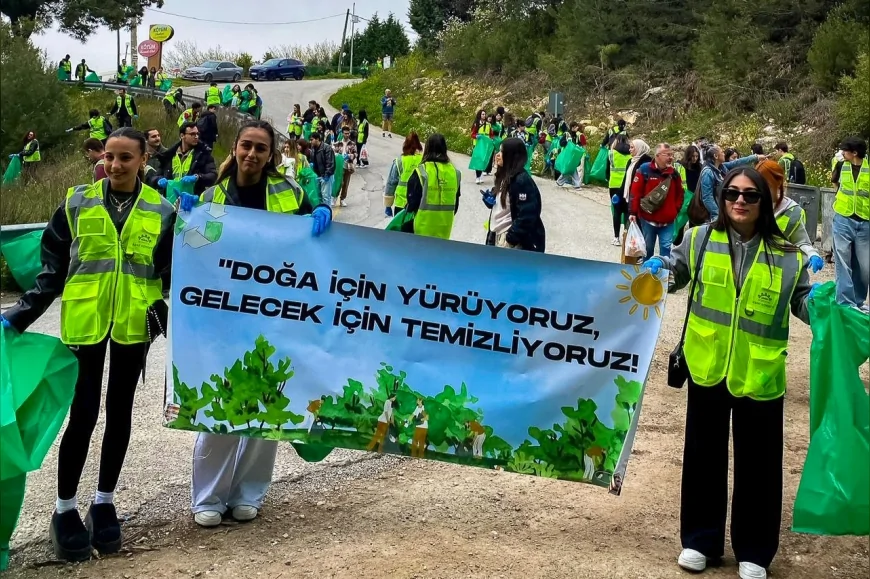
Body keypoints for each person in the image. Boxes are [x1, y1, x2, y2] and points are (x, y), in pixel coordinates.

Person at [0, 127, 176, 562]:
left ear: (143, 160)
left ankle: (104, 501)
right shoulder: (76, 203)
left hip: (134, 325)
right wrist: (18, 316)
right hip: (85, 325)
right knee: (82, 416)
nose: (115, 165)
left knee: (120, 413)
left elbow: (180, 274)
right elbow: (52, 270)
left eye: (125, 158)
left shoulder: (164, 210)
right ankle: (64, 511)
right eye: (110, 157)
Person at [643, 166, 812, 579]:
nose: (740, 201)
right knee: (703, 457)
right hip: (707, 368)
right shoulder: (701, 240)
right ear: (722, 198)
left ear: (766, 202)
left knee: (760, 464)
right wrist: (656, 268)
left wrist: (830, 311)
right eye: (732, 193)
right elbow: (675, 275)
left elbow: (804, 301)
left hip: (760, 375)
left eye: (750, 195)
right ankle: (700, 541)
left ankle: (754, 550)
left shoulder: (789, 256)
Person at [191, 120, 332, 528]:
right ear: (234, 148)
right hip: (224, 316)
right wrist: (185, 220)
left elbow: (319, 250)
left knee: (267, 404)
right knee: (221, 400)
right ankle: (208, 497)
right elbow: (195, 252)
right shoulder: (213, 196)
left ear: (272, 155)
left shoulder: (290, 193)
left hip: (276, 316)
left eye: (261, 148)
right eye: (246, 146)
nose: (252, 154)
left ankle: (248, 493)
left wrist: (321, 212)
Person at [755, 160, 823, 273]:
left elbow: (801, 241)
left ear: (778, 182)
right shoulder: (749, 204)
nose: (760, 189)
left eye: (766, 184)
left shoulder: (793, 211)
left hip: (777, 270)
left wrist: (812, 254)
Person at [481, 137, 546, 252]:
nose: (497, 155)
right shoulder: (503, 176)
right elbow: (506, 203)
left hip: (509, 241)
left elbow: (528, 215)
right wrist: (491, 199)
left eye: (502, 152)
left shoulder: (522, 181)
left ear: (511, 156)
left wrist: (510, 238)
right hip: (496, 234)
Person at [830, 136, 869, 311]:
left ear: (854, 153)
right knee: (842, 261)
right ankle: (845, 302)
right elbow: (835, 184)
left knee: (864, 265)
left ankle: (858, 301)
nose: (842, 152)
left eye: (845, 150)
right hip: (843, 219)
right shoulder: (840, 165)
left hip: (865, 221)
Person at [628, 143, 684, 260]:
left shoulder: (674, 174)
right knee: (647, 249)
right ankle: (646, 274)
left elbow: (680, 194)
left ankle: (664, 275)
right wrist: (632, 212)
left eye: (671, 155)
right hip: (648, 219)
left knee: (666, 249)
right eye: (667, 155)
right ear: (658, 155)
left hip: (668, 221)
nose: (671, 158)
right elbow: (635, 192)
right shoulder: (644, 170)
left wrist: (675, 209)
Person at [403, 134, 461, 240]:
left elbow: (412, 202)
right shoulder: (455, 173)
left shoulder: (421, 171)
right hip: (445, 227)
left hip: (422, 226)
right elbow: (456, 204)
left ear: (427, 148)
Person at [698, 146, 763, 221]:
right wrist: (717, 213)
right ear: (716, 156)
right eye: (722, 152)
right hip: (717, 215)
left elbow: (737, 162)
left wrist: (756, 157)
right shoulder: (708, 172)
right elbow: (707, 197)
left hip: (725, 210)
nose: (724, 154)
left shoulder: (722, 167)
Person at [152, 122, 217, 196]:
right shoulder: (169, 155)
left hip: (192, 200)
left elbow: (213, 176)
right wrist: (158, 180)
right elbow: (154, 177)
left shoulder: (203, 155)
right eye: (192, 134)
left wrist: (197, 177)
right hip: (171, 200)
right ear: (182, 136)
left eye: (197, 134)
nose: (196, 137)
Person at [385, 131, 424, 217]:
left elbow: (391, 183)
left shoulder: (399, 161)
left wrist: (388, 205)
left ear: (405, 145)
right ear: (419, 145)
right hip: (419, 204)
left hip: (401, 204)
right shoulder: (424, 161)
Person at [607, 134, 633, 244]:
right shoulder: (631, 155)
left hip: (614, 185)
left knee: (616, 211)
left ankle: (616, 238)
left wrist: (607, 180)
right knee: (627, 211)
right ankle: (626, 235)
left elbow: (607, 170)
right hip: (627, 185)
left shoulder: (611, 153)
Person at [309, 131, 335, 206]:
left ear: (317, 139)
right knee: (319, 196)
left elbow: (330, 163)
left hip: (326, 176)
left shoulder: (327, 148)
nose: (310, 142)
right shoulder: (313, 149)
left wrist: (327, 175)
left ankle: (327, 214)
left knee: (326, 197)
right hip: (318, 175)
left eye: (312, 139)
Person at [471, 109, 492, 184]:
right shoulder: (476, 124)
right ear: (479, 115)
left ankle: (481, 176)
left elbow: (491, 135)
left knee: (484, 160)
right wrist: (476, 136)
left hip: (485, 145)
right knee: (478, 160)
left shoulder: (488, 124)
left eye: (484, 114)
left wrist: (490, 139)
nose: (484, 115)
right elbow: (472, 134)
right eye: (482, 114)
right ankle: (477, 176)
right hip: (477, 144)